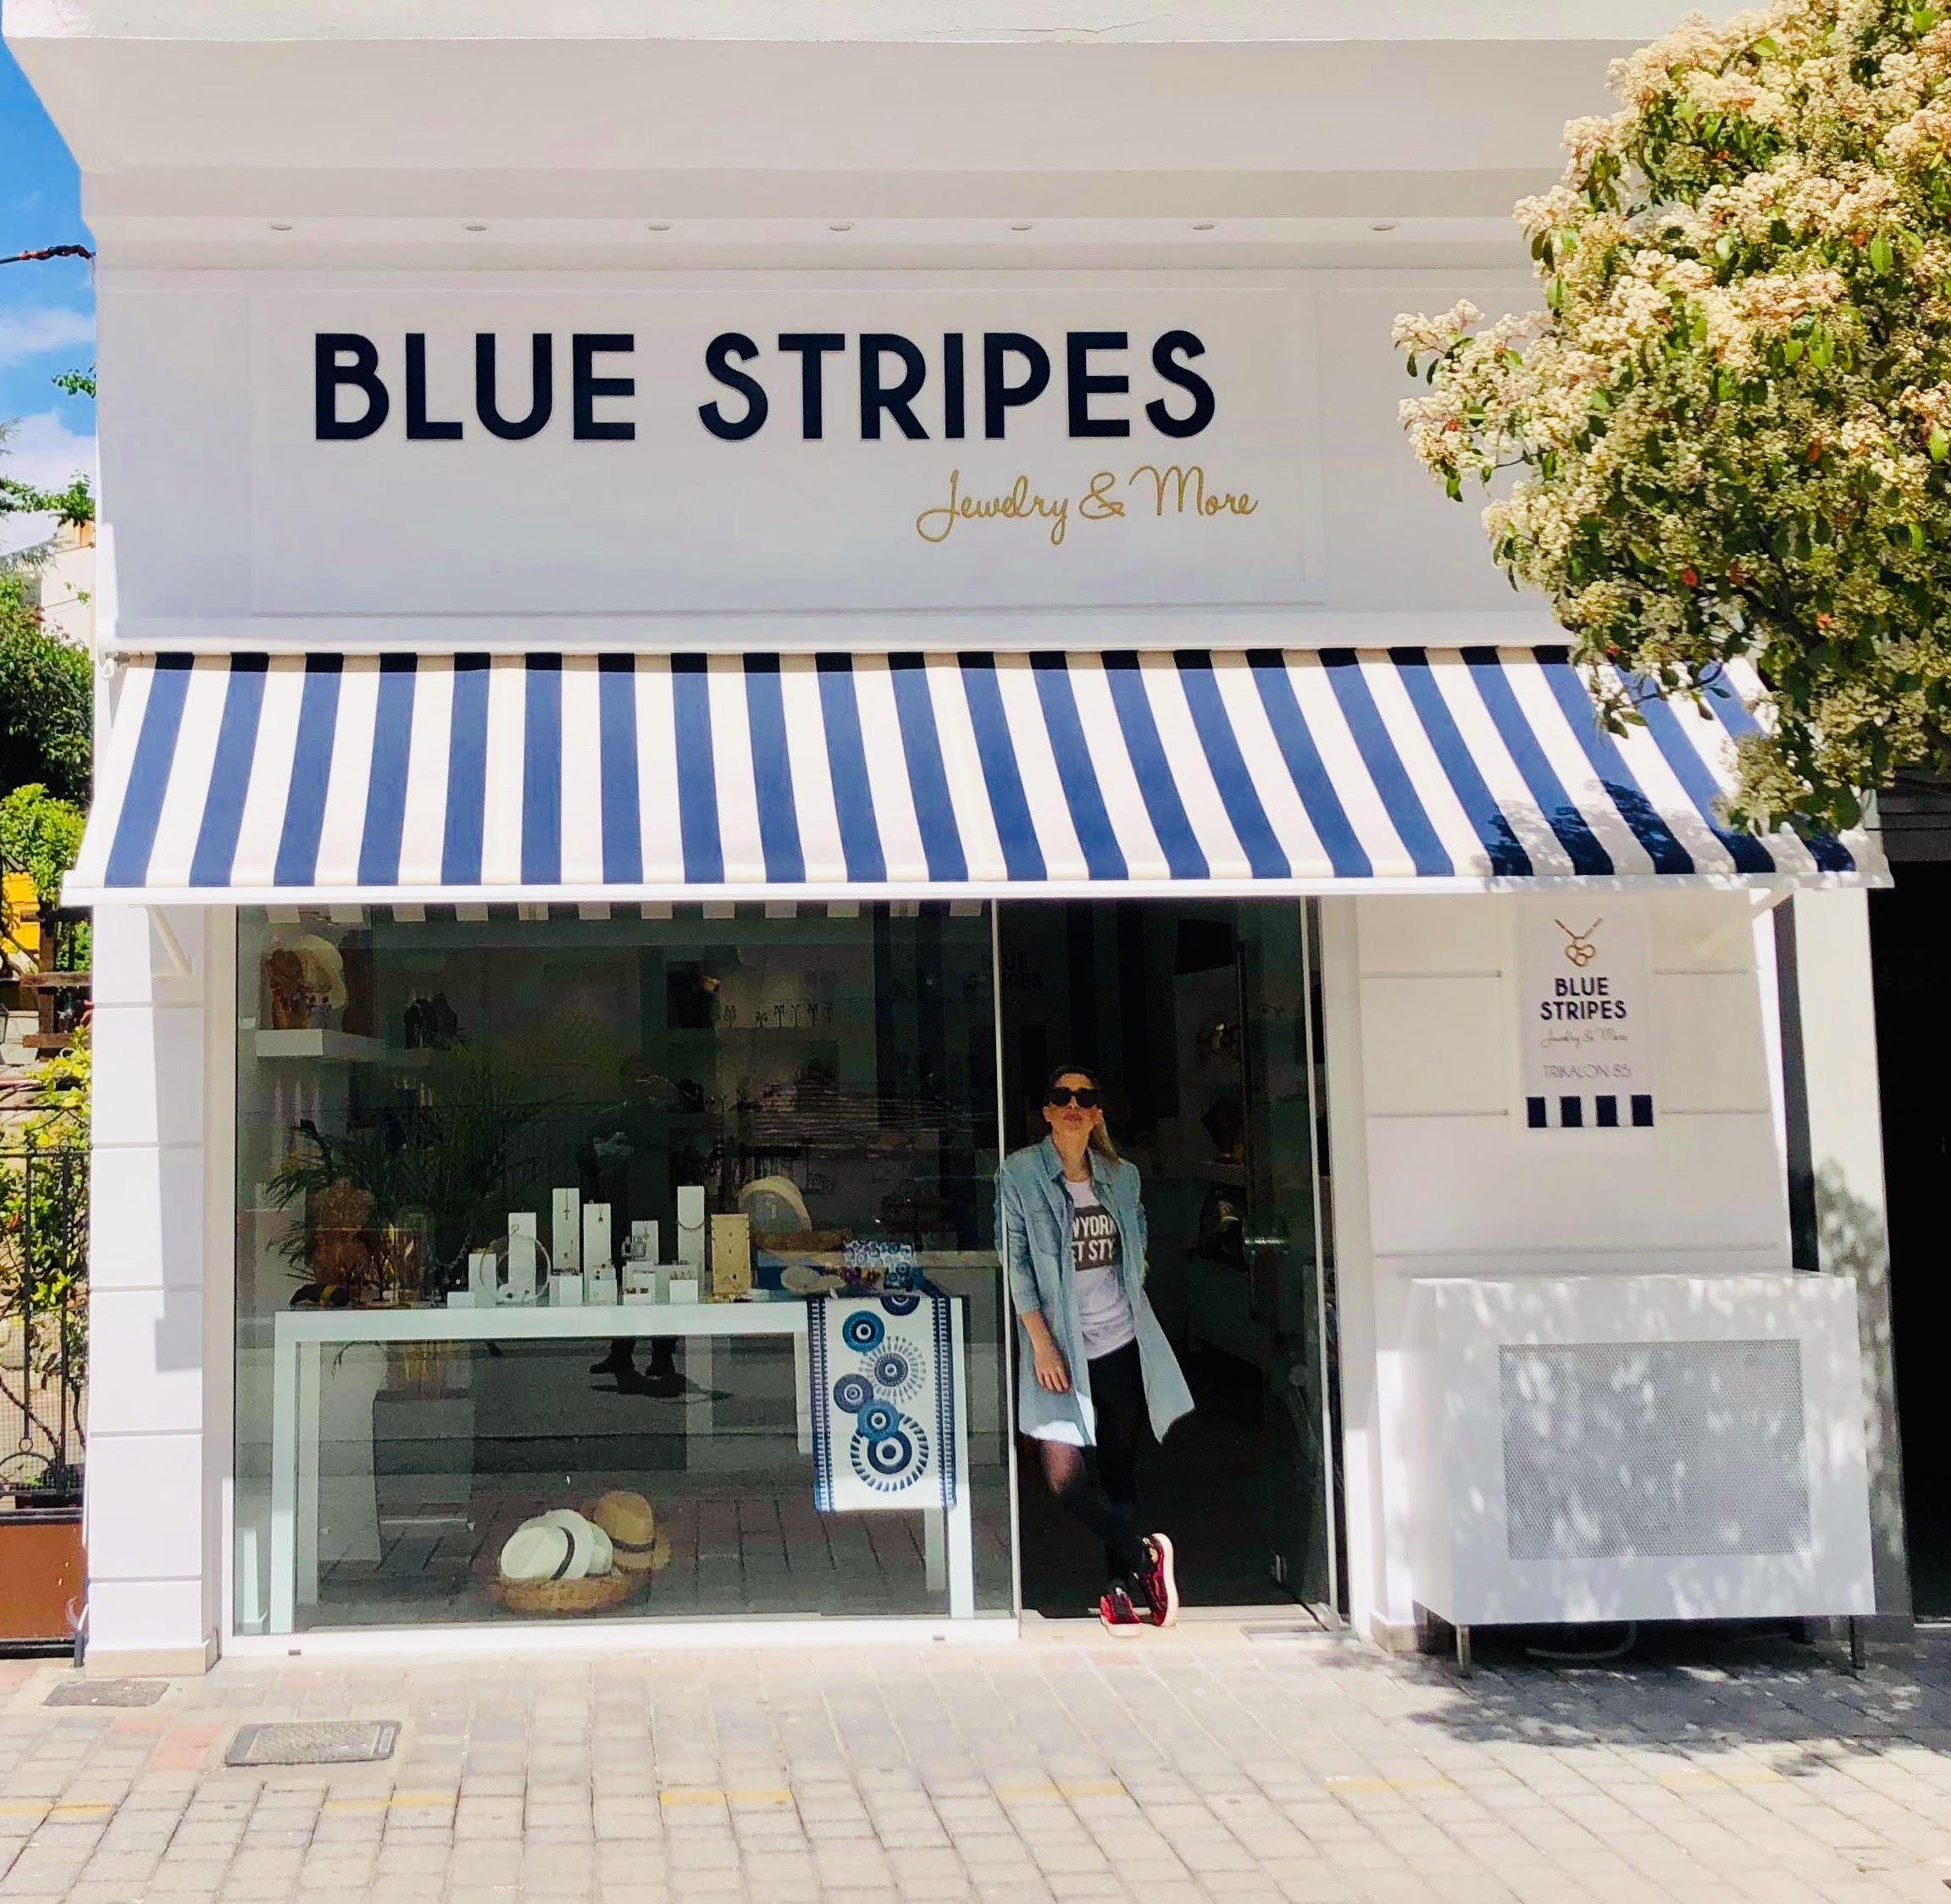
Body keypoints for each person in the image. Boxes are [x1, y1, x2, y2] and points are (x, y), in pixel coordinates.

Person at [997, 1065, 1194, 1632]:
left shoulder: (1121, 1176)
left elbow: (1138, 1245)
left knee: (1118, 1471)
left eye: (1085, 1097)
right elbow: (1015, 1265)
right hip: (1058, 1353)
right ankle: (1145, 1559)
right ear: (1046, 1111)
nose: (1073, 1104)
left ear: (1097, 1113)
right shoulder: (1020, 1174)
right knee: (1065, 1478)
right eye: (1061, 1096)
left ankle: (1119, 1591)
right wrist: (1042, 1345)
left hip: (1121, 1343)